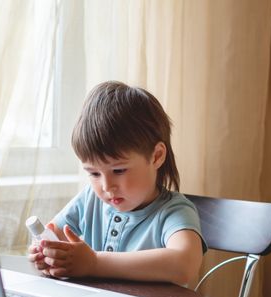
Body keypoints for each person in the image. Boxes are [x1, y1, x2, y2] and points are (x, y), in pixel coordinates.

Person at [28, 81, 206, 285]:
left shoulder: (173, 211)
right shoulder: (89, 200)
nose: (106, 186)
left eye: (119, 170)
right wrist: (45, 255)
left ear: (156, 156)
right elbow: (54, 237)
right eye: (94, 173)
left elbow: (185, 265)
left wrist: (95, 263)